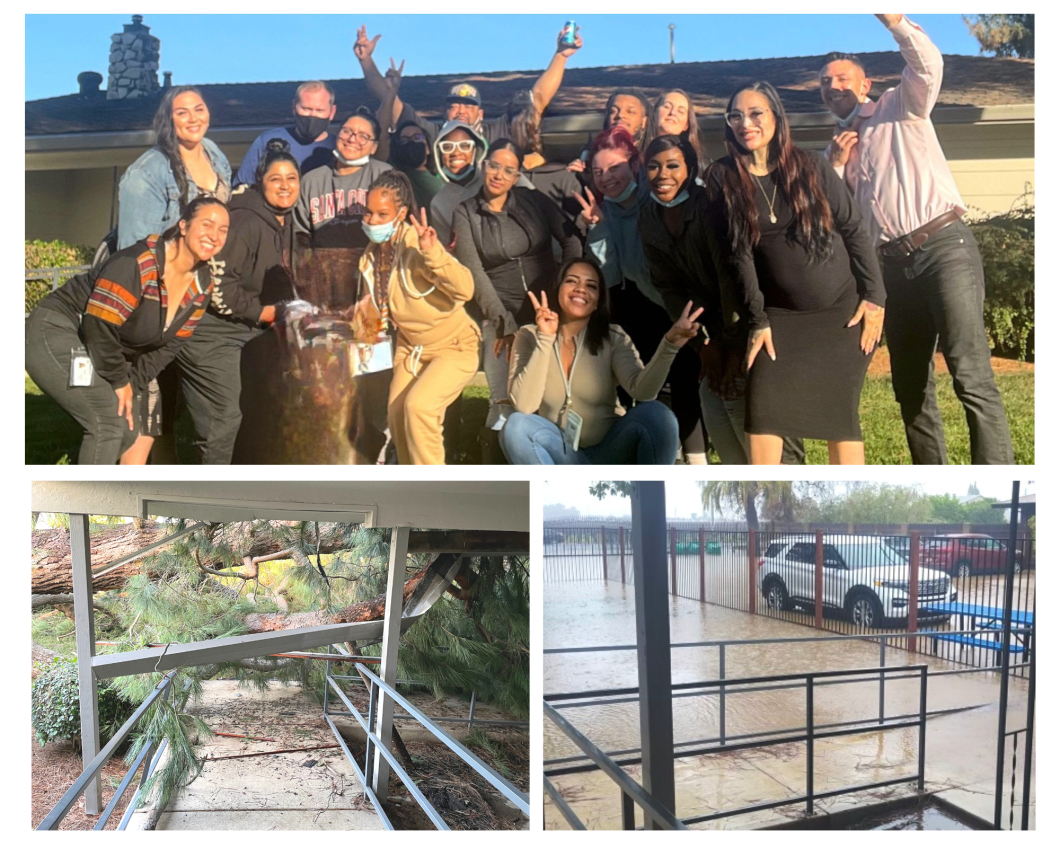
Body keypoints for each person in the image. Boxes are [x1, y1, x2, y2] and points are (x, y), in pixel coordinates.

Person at [821, 14, 1014, 465]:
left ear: (865, 85)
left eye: (842, 77)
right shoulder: (836, 147)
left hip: (943, 248)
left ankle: (995, 469)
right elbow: (837, 221)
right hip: (890, 270)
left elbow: (928, 64)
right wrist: (833, 164)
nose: (833, 86)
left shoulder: (900, 104)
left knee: (969, 372)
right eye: (825, 82)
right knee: (910, 387)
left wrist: (895, 20)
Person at [713, 82, 885, 464]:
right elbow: (737, 255)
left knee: (839, 418)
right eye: (735, 116)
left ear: (776, 116)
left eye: (756, 113)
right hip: (780, 318)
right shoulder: (723, 176)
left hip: (841, 313)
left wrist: (875, 297)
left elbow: (855, 228)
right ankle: (763, 513)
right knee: (763, 410)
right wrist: (757, 320)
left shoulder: (813, 166)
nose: (746, 123)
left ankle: (848, 516)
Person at [26, 197, 229, 465]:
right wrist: (119, 381)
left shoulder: (203, 285)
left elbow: (169, 347)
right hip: (59, 329)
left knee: (130, 429)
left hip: (103, 344)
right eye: (207, 224)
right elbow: (99, 327)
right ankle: (88, 500)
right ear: (183, 226)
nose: (214, 236)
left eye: (223, 230)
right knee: (107, 422)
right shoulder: (138, 263)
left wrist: (133, 383)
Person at [579, 126, 708, 464]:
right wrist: (598, 227)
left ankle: (699, 462)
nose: (606, 178)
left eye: (615, 168)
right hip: (646, 309)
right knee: (652, 387)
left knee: (688, 385)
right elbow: (611, 275)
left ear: (634, 165)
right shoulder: (608, 210)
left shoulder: (656, 198)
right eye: (598, 172)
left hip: (686, 304)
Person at [501, 257, 700, 465]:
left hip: (610, 451)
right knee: (516, 426)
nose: (580, 289)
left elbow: (643, 392)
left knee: (658, 414)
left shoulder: (613, 336)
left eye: (591, 286)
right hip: (561, 455)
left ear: (597, 301)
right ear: (557, 288)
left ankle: (651, 495)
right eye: (572, 281)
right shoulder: (528, 336)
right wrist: (545, 339)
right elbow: (524, 405)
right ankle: (559, 494)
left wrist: (669, 345)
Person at [177, 141, 299, 465]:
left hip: (248, 331)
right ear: (261, 181)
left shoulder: (285, 222)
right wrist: (264, 311)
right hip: (211, 332)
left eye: (291, 179)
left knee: (267, 406)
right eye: (276, 179)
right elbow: (217, 285)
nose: (285, 186)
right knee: (224, 417)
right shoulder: (244, 221)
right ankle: (206, 494)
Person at [451, 139, 581, 434]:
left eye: (508, 170)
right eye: (494, 166)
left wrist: (565, 292)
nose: (499, 175)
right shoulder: (466, 212)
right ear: (484, 167)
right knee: (502, 402)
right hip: (499, 311)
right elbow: (475, 272)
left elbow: (571, 240)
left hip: (547, 312)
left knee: (550, 395)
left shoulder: (534, 201)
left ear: (517, 175)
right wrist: (504, 325)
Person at [355, 171, 480, 465]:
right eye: (368, 212)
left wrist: (433, 253)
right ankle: (410, 490)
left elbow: (466, 289)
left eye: (382, 214)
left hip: (454, 347)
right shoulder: (370, 256)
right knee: (397, 418)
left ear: (401, 213)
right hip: (410, 349)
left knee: (419, 408)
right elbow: (373, 312)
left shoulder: (416, 245)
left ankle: (433, 495)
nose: (372, 221)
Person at [353, 23, 582, 146]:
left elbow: (537, 99)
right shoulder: (430, 134)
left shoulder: (497, 133)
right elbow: (388, 99)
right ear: (445, 112)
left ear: (480, 114)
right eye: (454, 106)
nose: (461, 110)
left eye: (468, 106)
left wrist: (561, 56)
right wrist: (366, 61)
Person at [118, 86, 232, 249]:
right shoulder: (145, 174)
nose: (193, 119)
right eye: (182, 113)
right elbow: (135, 252)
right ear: (169, 120)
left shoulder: (213, 151)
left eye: (199, 110)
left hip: (214, 266)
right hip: (169, 270)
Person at [295, 108, 392, 253]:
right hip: (323, 270)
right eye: (347, 131)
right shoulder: (311, 181)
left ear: (374, 147)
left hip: (373, 269)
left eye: (363, 136)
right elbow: (300, 237)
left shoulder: (384, 175)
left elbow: (399, 230)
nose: (352, 139)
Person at [234, 81, 337, 186]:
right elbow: (242, 190)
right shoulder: (267, 141)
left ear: (332, 112)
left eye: (319, 110)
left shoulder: (341, 149)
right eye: (306, 109)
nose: (312, 115)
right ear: (293, 107)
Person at [568, 90, 654, 174]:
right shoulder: (590, 155)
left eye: (630, 111)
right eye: (613, 111)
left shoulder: (653, 156)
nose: (620, 115)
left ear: (644, 122)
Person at [651, 89, 705, 172]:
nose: (672, 113)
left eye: (681, 111)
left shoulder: (696, 165)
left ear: (686, 125)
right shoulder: (636, 156)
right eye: (667, 107)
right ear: (654, 113)